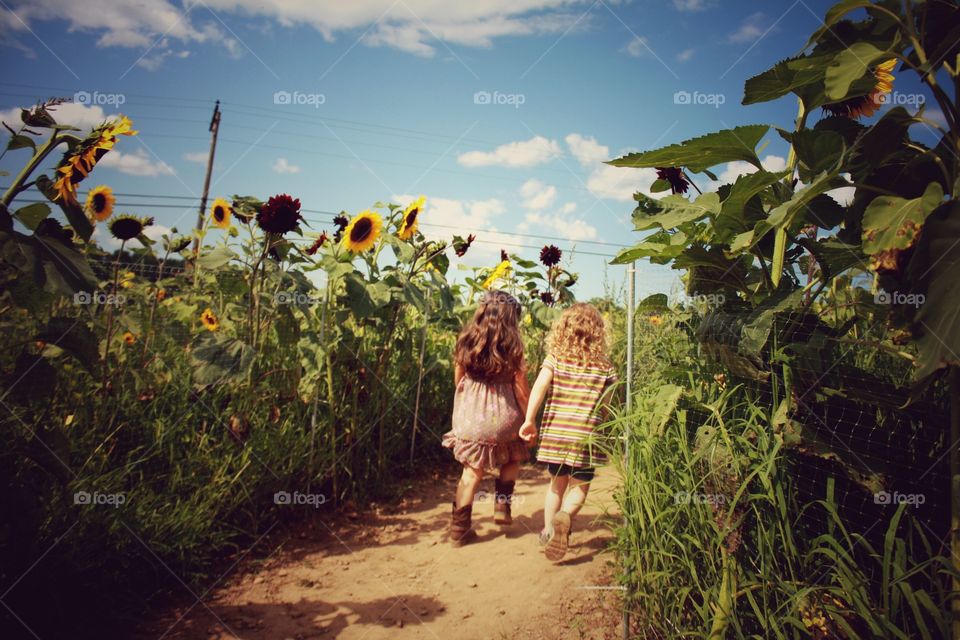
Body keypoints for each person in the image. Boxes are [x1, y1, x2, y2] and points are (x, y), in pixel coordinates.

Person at [519, 303, 617, 562]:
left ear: (563, 329)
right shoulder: (605, 367)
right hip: (585, 435)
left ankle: (549, 529)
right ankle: (567, 516)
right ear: (599, 333)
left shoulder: (555, 359)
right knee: (579, 488)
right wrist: (603, 422)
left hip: (557, 435)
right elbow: (608, 403)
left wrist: (529, 419)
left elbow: (539, 387)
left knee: (555, 486)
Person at [442, 290, 535, 546]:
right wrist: (529, 420)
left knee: (471, 473)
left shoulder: (466, 340)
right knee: (513, 457)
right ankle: (501, 507)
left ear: (482, 312)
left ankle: (459, 530)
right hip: (505, 417)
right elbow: (522, 391)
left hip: (472, 419)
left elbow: (458, 379)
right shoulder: (514, 348)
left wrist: (471, 397)